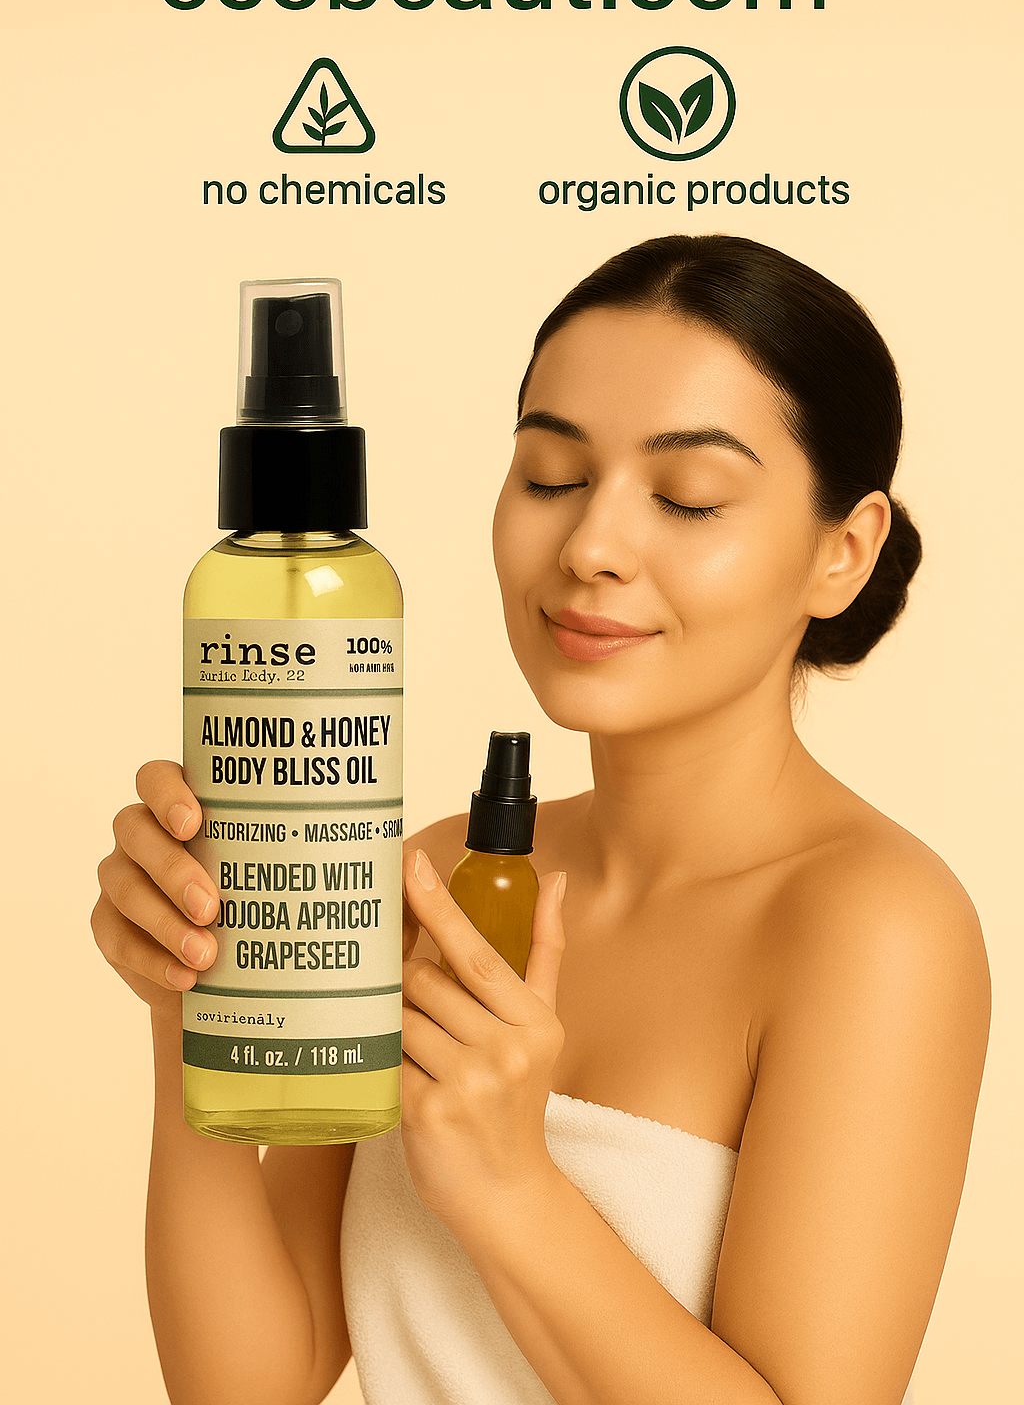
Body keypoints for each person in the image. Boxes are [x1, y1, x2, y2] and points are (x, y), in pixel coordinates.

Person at [92, 234, 990, 1405]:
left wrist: (507, 1187)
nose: (589, 548)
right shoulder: (430, 876)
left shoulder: (876, 931)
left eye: (688, 496)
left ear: (843, 552)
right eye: (551, 476)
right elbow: (246, 1382)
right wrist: (188, 1009)